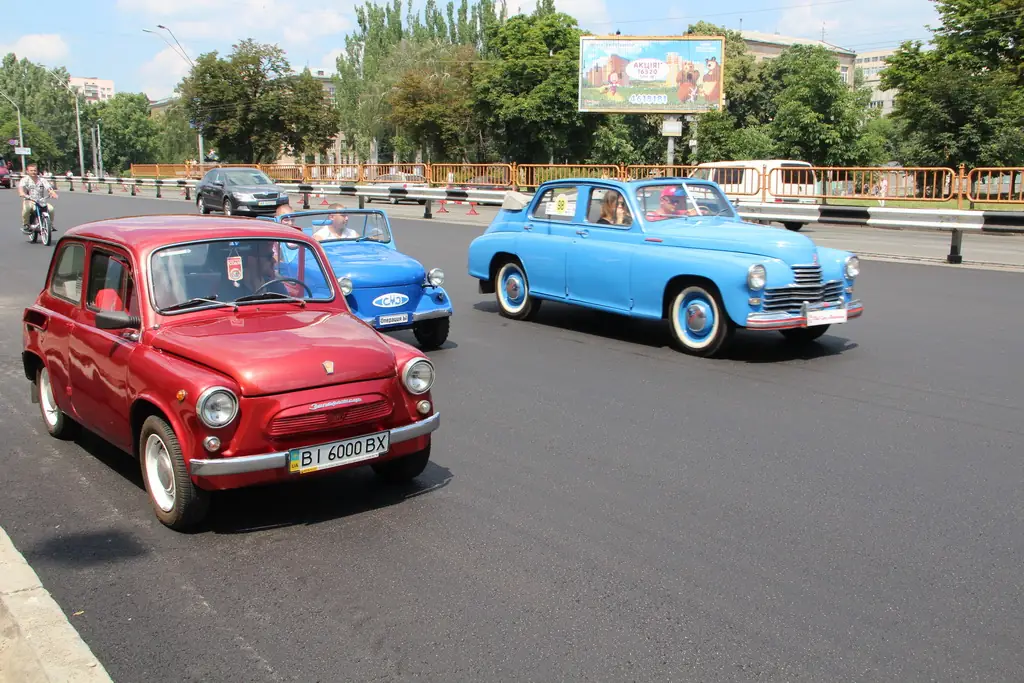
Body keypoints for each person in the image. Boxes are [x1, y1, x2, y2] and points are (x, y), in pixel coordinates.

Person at [18, 163, 58, 234]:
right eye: (31, 170)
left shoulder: (42, 180)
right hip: (29, 200)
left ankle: (50, 225)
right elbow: (21, 190)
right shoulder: (24, 180)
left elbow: (49, 189)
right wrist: (22, 194)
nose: (33, 172)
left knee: (51, 209)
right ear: (27, 171)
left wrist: (53, 193)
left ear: (37, 171)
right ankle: (26, 225)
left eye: (35, 170)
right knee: (26, 209)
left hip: (40, 200)